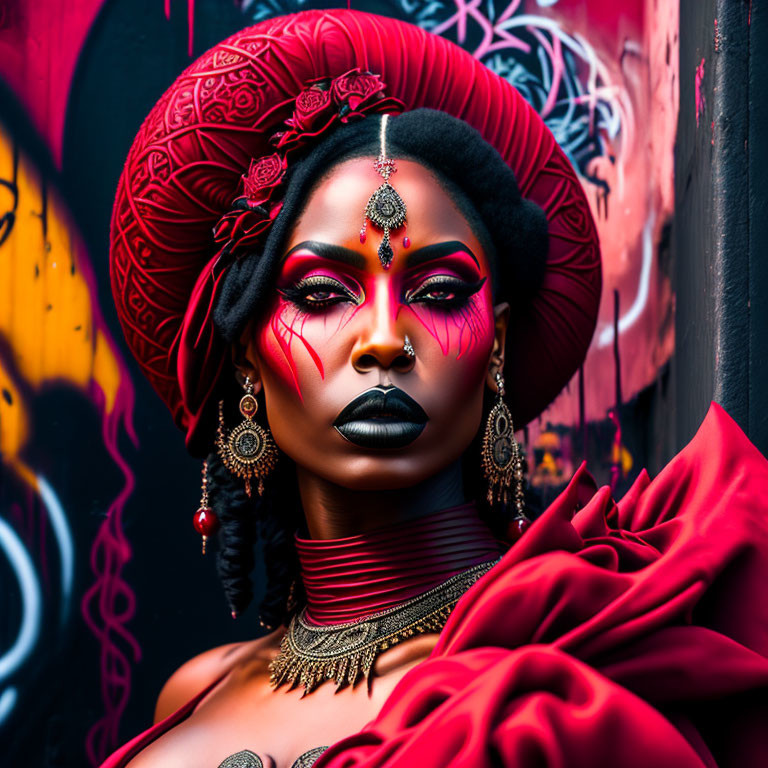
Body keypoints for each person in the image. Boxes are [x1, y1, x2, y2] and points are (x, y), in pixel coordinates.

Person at [102, 9, 768, 768]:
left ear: (499, 343)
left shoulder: (568, 680)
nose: (385, 338)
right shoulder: (195, 689)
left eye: (441, 291)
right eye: (322, 294)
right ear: (248, 355)